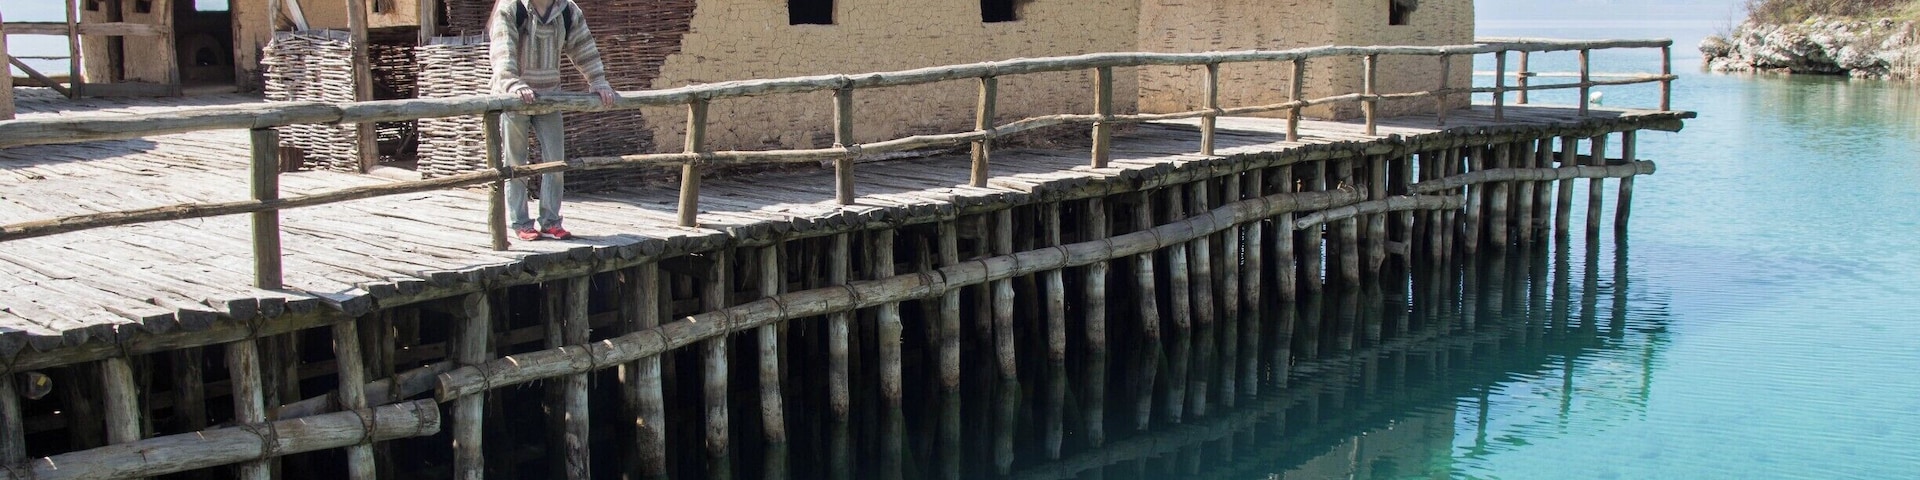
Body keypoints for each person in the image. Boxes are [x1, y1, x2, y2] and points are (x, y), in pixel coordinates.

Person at [489, 0, 617, 241]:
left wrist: (598, 80)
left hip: (550, 95)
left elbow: (583, 46)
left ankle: (550, 221)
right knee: (516, 161)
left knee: (555, 162)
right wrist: (513, 83)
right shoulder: (511, 8)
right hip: (514, 98)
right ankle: (520, 222)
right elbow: (502, 51)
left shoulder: (567, 10)